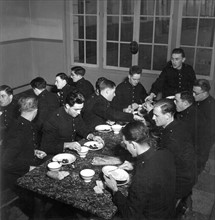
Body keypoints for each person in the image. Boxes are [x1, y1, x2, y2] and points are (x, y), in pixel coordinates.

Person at [104, 121, 176, 220]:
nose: (126, 148)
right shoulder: (164, 153)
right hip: (168, 210)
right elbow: (154, 170)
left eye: (126, 145)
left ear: (133, 144)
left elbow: (130, 215)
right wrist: (134, 166)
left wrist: (115, 190)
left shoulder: (141, 177)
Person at [152, 99, 196, 209]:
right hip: (184, 172)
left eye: (156, 115)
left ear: (167, 115)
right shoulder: (175, 124)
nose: (153, 118)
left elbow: (163, 164)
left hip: (180, 180)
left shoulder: (174, 139)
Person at [1, 96, 46, 190]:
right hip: (17, 178)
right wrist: (29, 168)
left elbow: (18, 147)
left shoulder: (19, 123)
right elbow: (6, 162)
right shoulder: (20, 131)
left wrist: (33, 151)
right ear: (36, 110)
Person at [40, 90, 104, 156]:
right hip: (57, 155)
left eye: (81, 109)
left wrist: (92, 136)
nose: (79, 112)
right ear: (67, 106)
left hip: (71, 152)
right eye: (76, 109)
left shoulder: (75, 113)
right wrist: (68, 145)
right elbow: (46, 146)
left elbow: (82, 128)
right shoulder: (52, 119)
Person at [193, 79, 215, 173]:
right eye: (193, 92)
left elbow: (209, 131)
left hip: (203, 140)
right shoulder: (198, 100)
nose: (193, 95)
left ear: (205, 93)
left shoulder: (211, 106)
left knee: (198, 163)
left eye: (196, 93)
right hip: (196, 136)